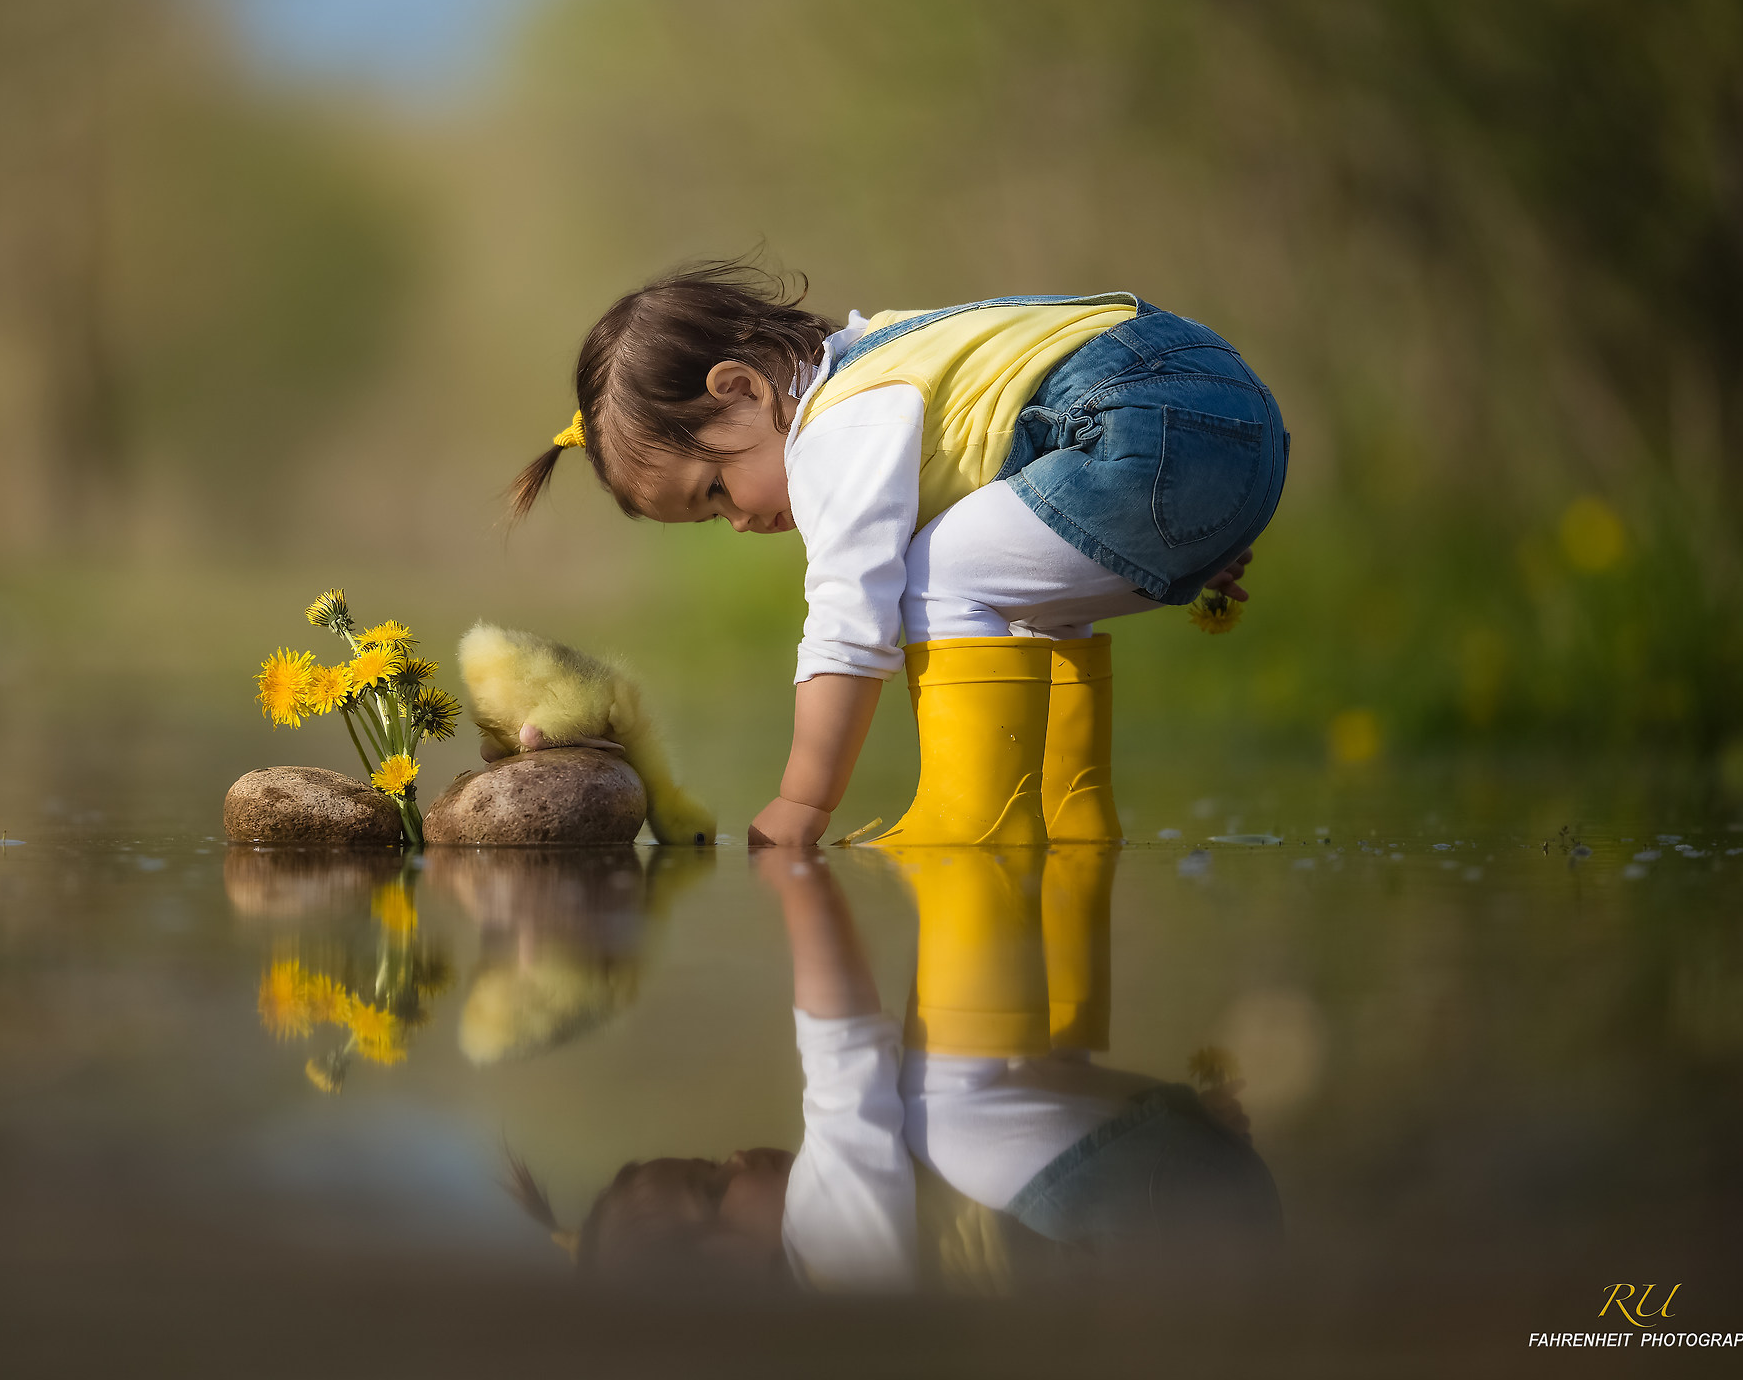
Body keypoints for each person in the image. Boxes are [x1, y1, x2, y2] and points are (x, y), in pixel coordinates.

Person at [508, 262, 1286, 849]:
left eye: (714, 488)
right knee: (1001, 572)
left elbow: (849, 619)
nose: (738, 520)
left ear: (742, 387)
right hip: (1222, 412)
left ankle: (977, 818)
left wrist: (802, 803)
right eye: (712, 517)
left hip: (1142, 418)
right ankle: (1066, 808)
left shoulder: (838, 430)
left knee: (929, 575)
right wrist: (1191, 517)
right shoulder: (886, 352)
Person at [504, 828, 1282, 1289]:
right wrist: (800, 878)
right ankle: (1001, 860)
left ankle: (1023, 862)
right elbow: (844, 1059)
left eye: (709, 1160)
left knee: (944, 1103)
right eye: (713, 1187)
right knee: (932, 1101)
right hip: (1167, 1228)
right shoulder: (833, 1257)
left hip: (1182, 1207)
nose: (736, 1154)